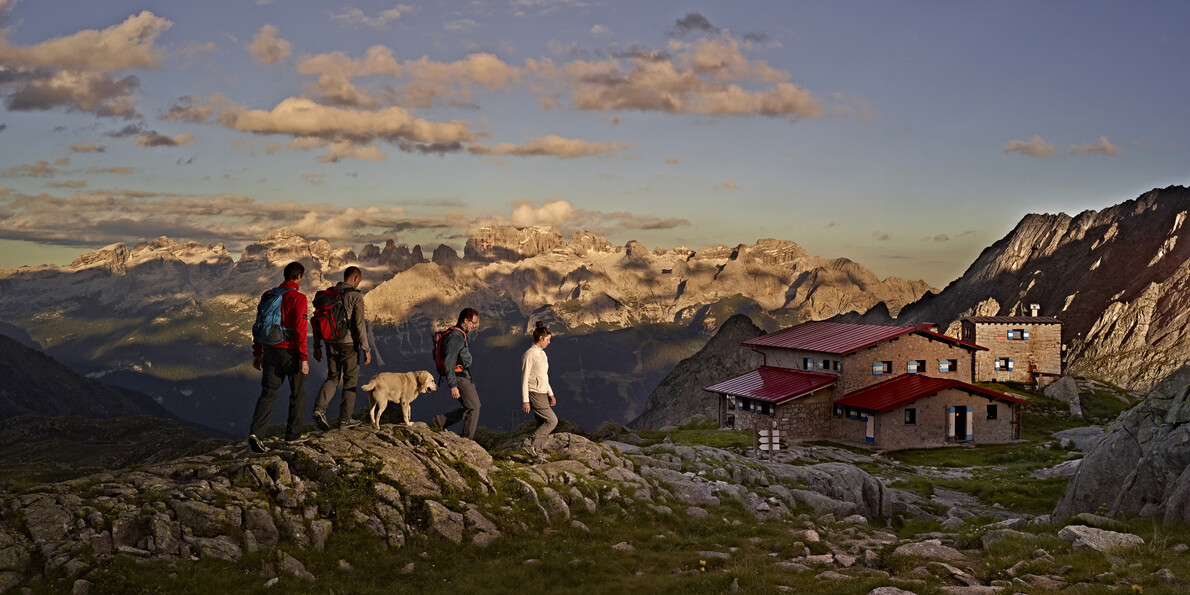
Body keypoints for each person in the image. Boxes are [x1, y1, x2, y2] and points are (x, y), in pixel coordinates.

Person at [247, 261, 309, 453]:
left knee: (268, 393)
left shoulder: (268, 295)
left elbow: (258, 324)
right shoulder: (298, 298)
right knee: (297, 393)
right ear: (299, 277)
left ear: (285, 275)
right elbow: (300, 329)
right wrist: (304, 357)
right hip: (290, 351)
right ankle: (293, 436)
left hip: (269, 350)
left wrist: (257, 353)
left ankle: (256, 434)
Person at [312, 266, 372, 430]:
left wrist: (316, 346)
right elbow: (359, 325)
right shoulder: (355, 296)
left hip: (330, 342)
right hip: (348, 344)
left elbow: (317, 321)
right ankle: (345, 420)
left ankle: (319, 409)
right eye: (358, 281)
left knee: (332, 377)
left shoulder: (330, 294)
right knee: (350, 380)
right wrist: (366, 349)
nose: (358, 284)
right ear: (355, 279)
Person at [431, 308, 480, 440]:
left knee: (468, 406)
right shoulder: (456, 337)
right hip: (459, 377)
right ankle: (467, 440)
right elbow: (449, 360)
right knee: (474, 407)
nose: (474, 326)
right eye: (473, 323)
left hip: (463, 375)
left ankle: (441, 421)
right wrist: (453, 385)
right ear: (465, 320)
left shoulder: (458, 333)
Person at [520, 322, 557, 460]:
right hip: (534, 392)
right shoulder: (529, 355)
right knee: (552, 421)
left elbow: (544, 376)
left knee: (542, 423)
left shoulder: (542, 354)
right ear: (541, 338)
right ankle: (529, 442)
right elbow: (524, 379)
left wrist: (550, 393)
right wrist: (525, 400)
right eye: (548, 339)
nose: (549, 342)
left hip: (542, 392)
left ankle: (537, 453)